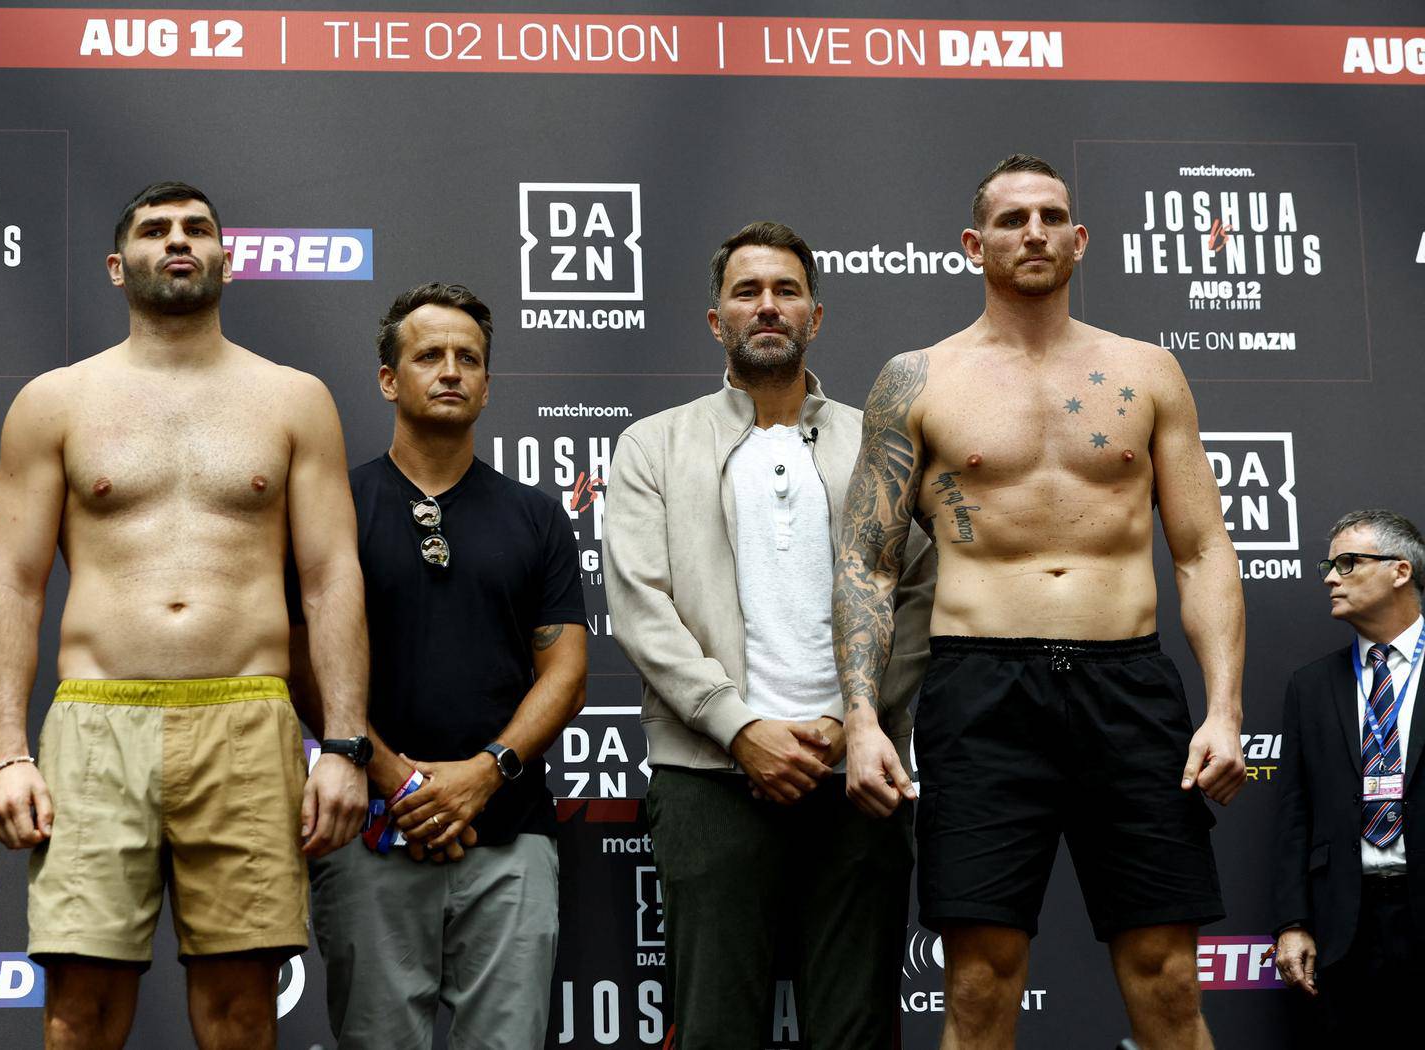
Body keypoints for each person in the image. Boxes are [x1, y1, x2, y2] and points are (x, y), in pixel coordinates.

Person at [832, 155, 1246, 1050]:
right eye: (1014, 220)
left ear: (1080, 239)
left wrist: (1222, 709)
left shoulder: (1148, 371)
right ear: (975, 245)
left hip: (1128, 687)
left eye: (1053, 216)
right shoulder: (917, 378)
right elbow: (866, 562)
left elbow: (1203, 547)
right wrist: (863, 721)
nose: (1035, 233)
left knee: (1170, 981)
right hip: (982, 693)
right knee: (979, 986)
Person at [0, 182, 369, 1050]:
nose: (179, 240)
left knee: (241, 1008)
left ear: (227, 258)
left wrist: (343, 746)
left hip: (247, 720)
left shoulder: (294, 398)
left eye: (198, 228)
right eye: (156, 231)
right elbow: (11, 580)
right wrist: (7, 754)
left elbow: (330, 577)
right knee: (81, 1006)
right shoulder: (55, 401)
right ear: (120, 268)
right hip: (95, 722)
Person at [604, 222, 935, 1049]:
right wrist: (740, 727)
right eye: (746, 291)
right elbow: (641, 606)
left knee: (856, 1031)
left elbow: (922, 593)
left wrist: (849, 723)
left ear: (815, 316)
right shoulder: (653, 445)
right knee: (715, 1027)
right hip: (709, 775)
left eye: (785, 290)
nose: (767, 306)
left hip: (859, 773)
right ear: (716, 320)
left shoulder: (879, 440)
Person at [295, 282, 587, 1050]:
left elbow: (566, 674)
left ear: (488, 384)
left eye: (469, 359)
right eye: (430, 356)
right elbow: (300, 662)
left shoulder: (536, 514)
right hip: (370, 835)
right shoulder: (335, 506)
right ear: (390, 380)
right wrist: (401, 784)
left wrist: (483, 774)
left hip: (512, 838)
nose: (451, 370)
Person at [1274, 509, 1425, 1041]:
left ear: (1400, 571)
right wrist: (1292, 922)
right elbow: (1293, 812)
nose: (1330, 577)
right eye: (1328, 564)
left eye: (1347, 563)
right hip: (1346, 924)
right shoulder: (1310, 686)